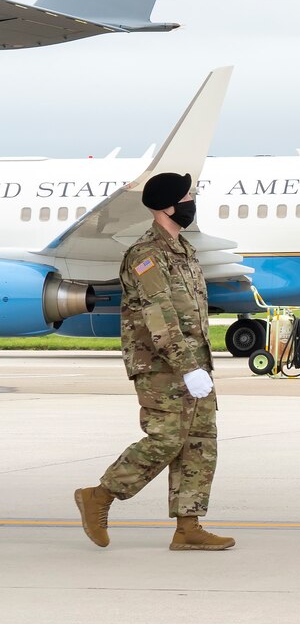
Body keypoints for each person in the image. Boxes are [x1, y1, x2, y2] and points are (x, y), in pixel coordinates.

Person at [74, 172, 232, 552]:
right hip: (162, 366)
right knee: (165, 440)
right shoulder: (147, 255)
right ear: (167, 205)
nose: (193, 200)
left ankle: (188, 526)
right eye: (189, 195)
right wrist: (187, 367)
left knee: (199, 442)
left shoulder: (183, 250)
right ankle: (100, 495)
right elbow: (158, 317)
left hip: (194, 363)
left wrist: (199, 365)